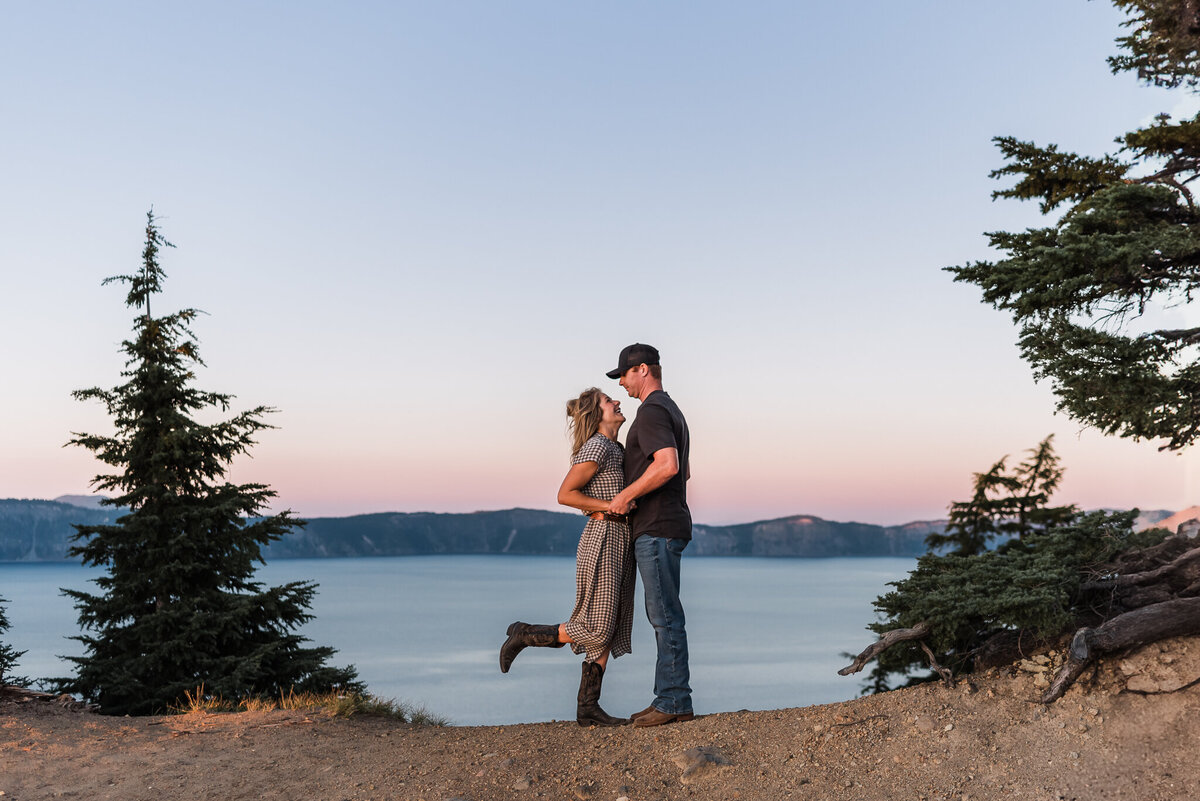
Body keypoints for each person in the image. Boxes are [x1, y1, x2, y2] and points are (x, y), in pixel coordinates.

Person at [498, 388, 636, 727]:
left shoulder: (616, 448)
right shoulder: (597, 446)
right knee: (597, 627)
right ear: (595, 414)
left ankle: (588, 708)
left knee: (612, 624)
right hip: (603, 537)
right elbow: (565, 494)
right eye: (608, 401)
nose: (617, 401)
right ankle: (525, 633)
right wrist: (610, 505)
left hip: (621, 539)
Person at [606, 343, 694, 727]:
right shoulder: (671, 409)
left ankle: (673, 702)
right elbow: (684, 472)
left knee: (664, 616)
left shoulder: (653, 410)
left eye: (623, 374)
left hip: (657, 526)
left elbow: (669, 465)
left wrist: (625, 496)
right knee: (663, 613)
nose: (622, 383)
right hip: (668, 523)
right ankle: (669, 697)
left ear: (642, 370)